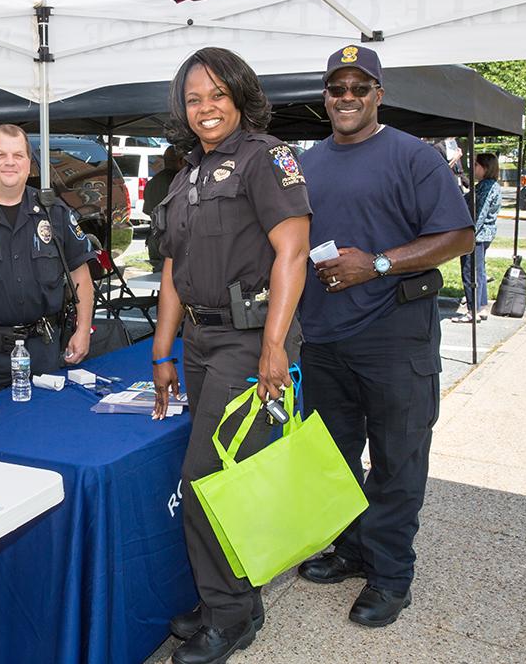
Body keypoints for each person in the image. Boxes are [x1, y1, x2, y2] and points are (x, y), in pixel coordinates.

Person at [296, 45, 473, 628]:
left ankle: (391, 575)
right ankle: (351, 549)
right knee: (334, 457)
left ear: (379, 93)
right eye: (336, 88)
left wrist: (374, 264)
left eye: (359, 87)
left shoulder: (414, 157)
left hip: (394, 334)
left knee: (397, 460)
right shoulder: (307, 162)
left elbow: (457, 236)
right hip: (323, 338)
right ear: (325, 96)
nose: (347, 97)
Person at [149, 48, 311, 664]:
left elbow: (292, 253)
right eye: (194, 99)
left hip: (248, 339)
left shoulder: (266, 157)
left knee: (206, 482)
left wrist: (273, 345)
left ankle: (232, 615)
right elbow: (171, 269)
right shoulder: (189, 171)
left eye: (217, 94)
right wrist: (162, 351)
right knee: (227, 477)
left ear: (240, 96)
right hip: (199, 340)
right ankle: (232, 595)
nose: (206, 108)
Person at [0, 124, 96, 388]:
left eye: (18, 155)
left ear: (29, 164)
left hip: (44, 353)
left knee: (48, 426)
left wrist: (83, 330)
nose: (10, 162)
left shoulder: (54, 212)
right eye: (0, 155)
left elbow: (81, 274)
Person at [452, 153, 502, 323]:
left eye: (475, 165)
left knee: (470, 272)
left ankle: (473, 310)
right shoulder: (488, 185)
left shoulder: (486, 187)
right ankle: (481, 307)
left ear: (485, 168)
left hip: (477, 236)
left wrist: (467, 234)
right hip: (484, 235)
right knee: (479, 271)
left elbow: (478, 214)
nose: (472, 168)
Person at [143, 145, 182, 272]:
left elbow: (147, 211)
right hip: (175, 242)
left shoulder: (152, 182)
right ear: (181, 161)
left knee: (160, 282)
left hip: (155, 240)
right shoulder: (180, 181)